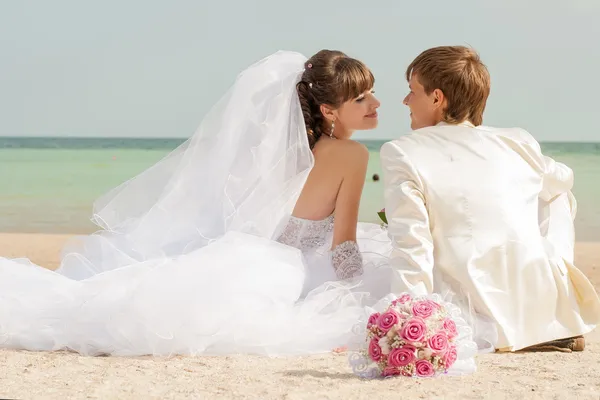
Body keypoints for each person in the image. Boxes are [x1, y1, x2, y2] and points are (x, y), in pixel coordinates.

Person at [0, 50, 400, 358]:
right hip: (292, 269)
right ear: (329, 110)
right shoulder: (353, 155)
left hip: (251, 257)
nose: (376, 103)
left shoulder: (285, 152)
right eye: (361, 98)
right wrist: (352, 294)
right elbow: (343, 245)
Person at [380, 45, 600, 353]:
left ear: (436, 97)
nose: (405, 100)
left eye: (411, 91)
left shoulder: (402, 151)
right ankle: (551, 310)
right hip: (535, 303)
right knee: (557, 194)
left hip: (471, 309)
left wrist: (407, 320)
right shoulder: (515, 140)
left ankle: (503, 316)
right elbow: (564, 179)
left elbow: (411, 244)